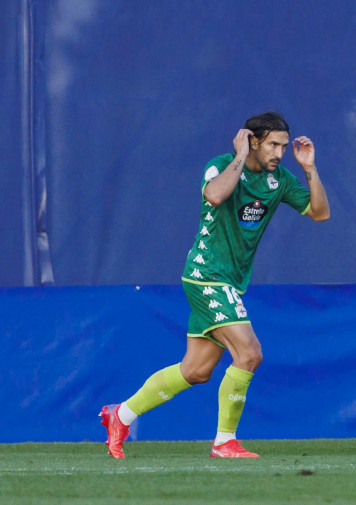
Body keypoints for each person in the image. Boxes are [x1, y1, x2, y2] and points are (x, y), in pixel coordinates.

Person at [100, 112, 330, 458]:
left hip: (231, 282)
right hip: (206, 274)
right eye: (272, 145)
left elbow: (320, 212)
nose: (279, 153)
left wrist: (309, 168)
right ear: (252, 141)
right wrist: (239, 157)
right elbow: (216, 196)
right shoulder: (220, 165)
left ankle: (121, 415)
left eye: (283, 146)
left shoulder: (279, 179)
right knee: (249, 353)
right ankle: (224, 442)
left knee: (196, 370)